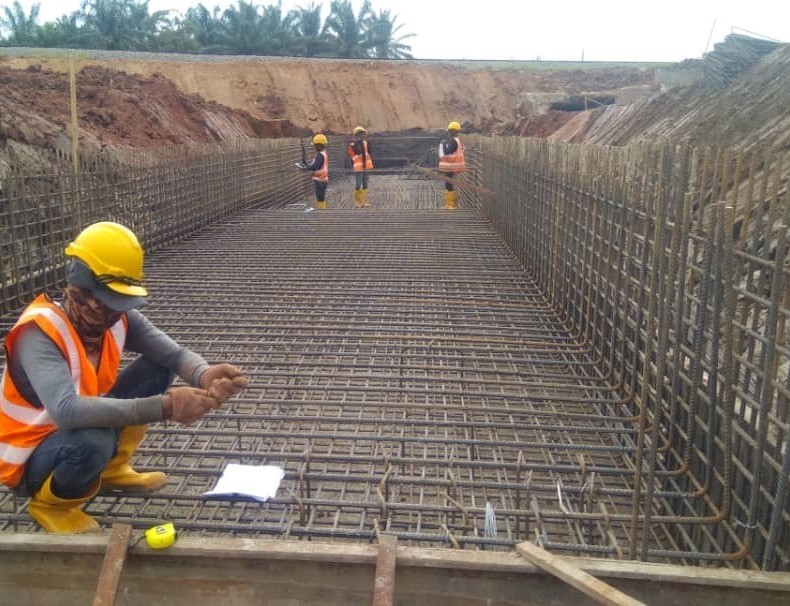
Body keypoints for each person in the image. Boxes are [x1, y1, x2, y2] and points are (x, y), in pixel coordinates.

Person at [0, 221, 249, 533]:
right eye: (105, 303)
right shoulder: (38, 333)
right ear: (83, 290)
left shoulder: (117, 319)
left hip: (75, 429)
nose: (108, 313)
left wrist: (203, 373)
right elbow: (67, 411)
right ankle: (51, 504)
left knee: (157, 369)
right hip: (29, 459)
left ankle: (111, 469)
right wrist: (166, 406)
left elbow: (173, 355)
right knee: (94, 439)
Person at [437, 121, 466, 209]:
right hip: (451, 165)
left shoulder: (454, 141)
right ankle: (448, 204)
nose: (449, 132)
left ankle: (452, 205)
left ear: (454, 131)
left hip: (451, 166)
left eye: (450, 131)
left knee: (448, 184)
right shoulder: (455, 140)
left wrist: (442, 145)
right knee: (447, 183)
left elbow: (447, 152)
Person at [297, 133, 330, 209]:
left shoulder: (320, 155)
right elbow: (316, 165)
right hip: (324, 179)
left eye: (315, 145)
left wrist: (304, 168)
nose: (314, 147)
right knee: (321, 198)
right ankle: (322, 214)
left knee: (320, 198)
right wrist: (307, 165)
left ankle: (322, 216)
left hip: (319, 180)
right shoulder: (324, 153)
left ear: (319, 145)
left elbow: (315, 166)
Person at [347, 126, 374, 208]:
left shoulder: (366, 143)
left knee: (365, 184)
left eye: (363, 133)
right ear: (356, 135)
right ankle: (357, 202)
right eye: (360, 134)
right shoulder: (353, 144)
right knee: (358, 184)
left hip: (366, 166)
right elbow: (357, 152)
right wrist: (358, 142)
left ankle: (364, 201)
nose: (362, 135)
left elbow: (370, 151)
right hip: (359, 167)